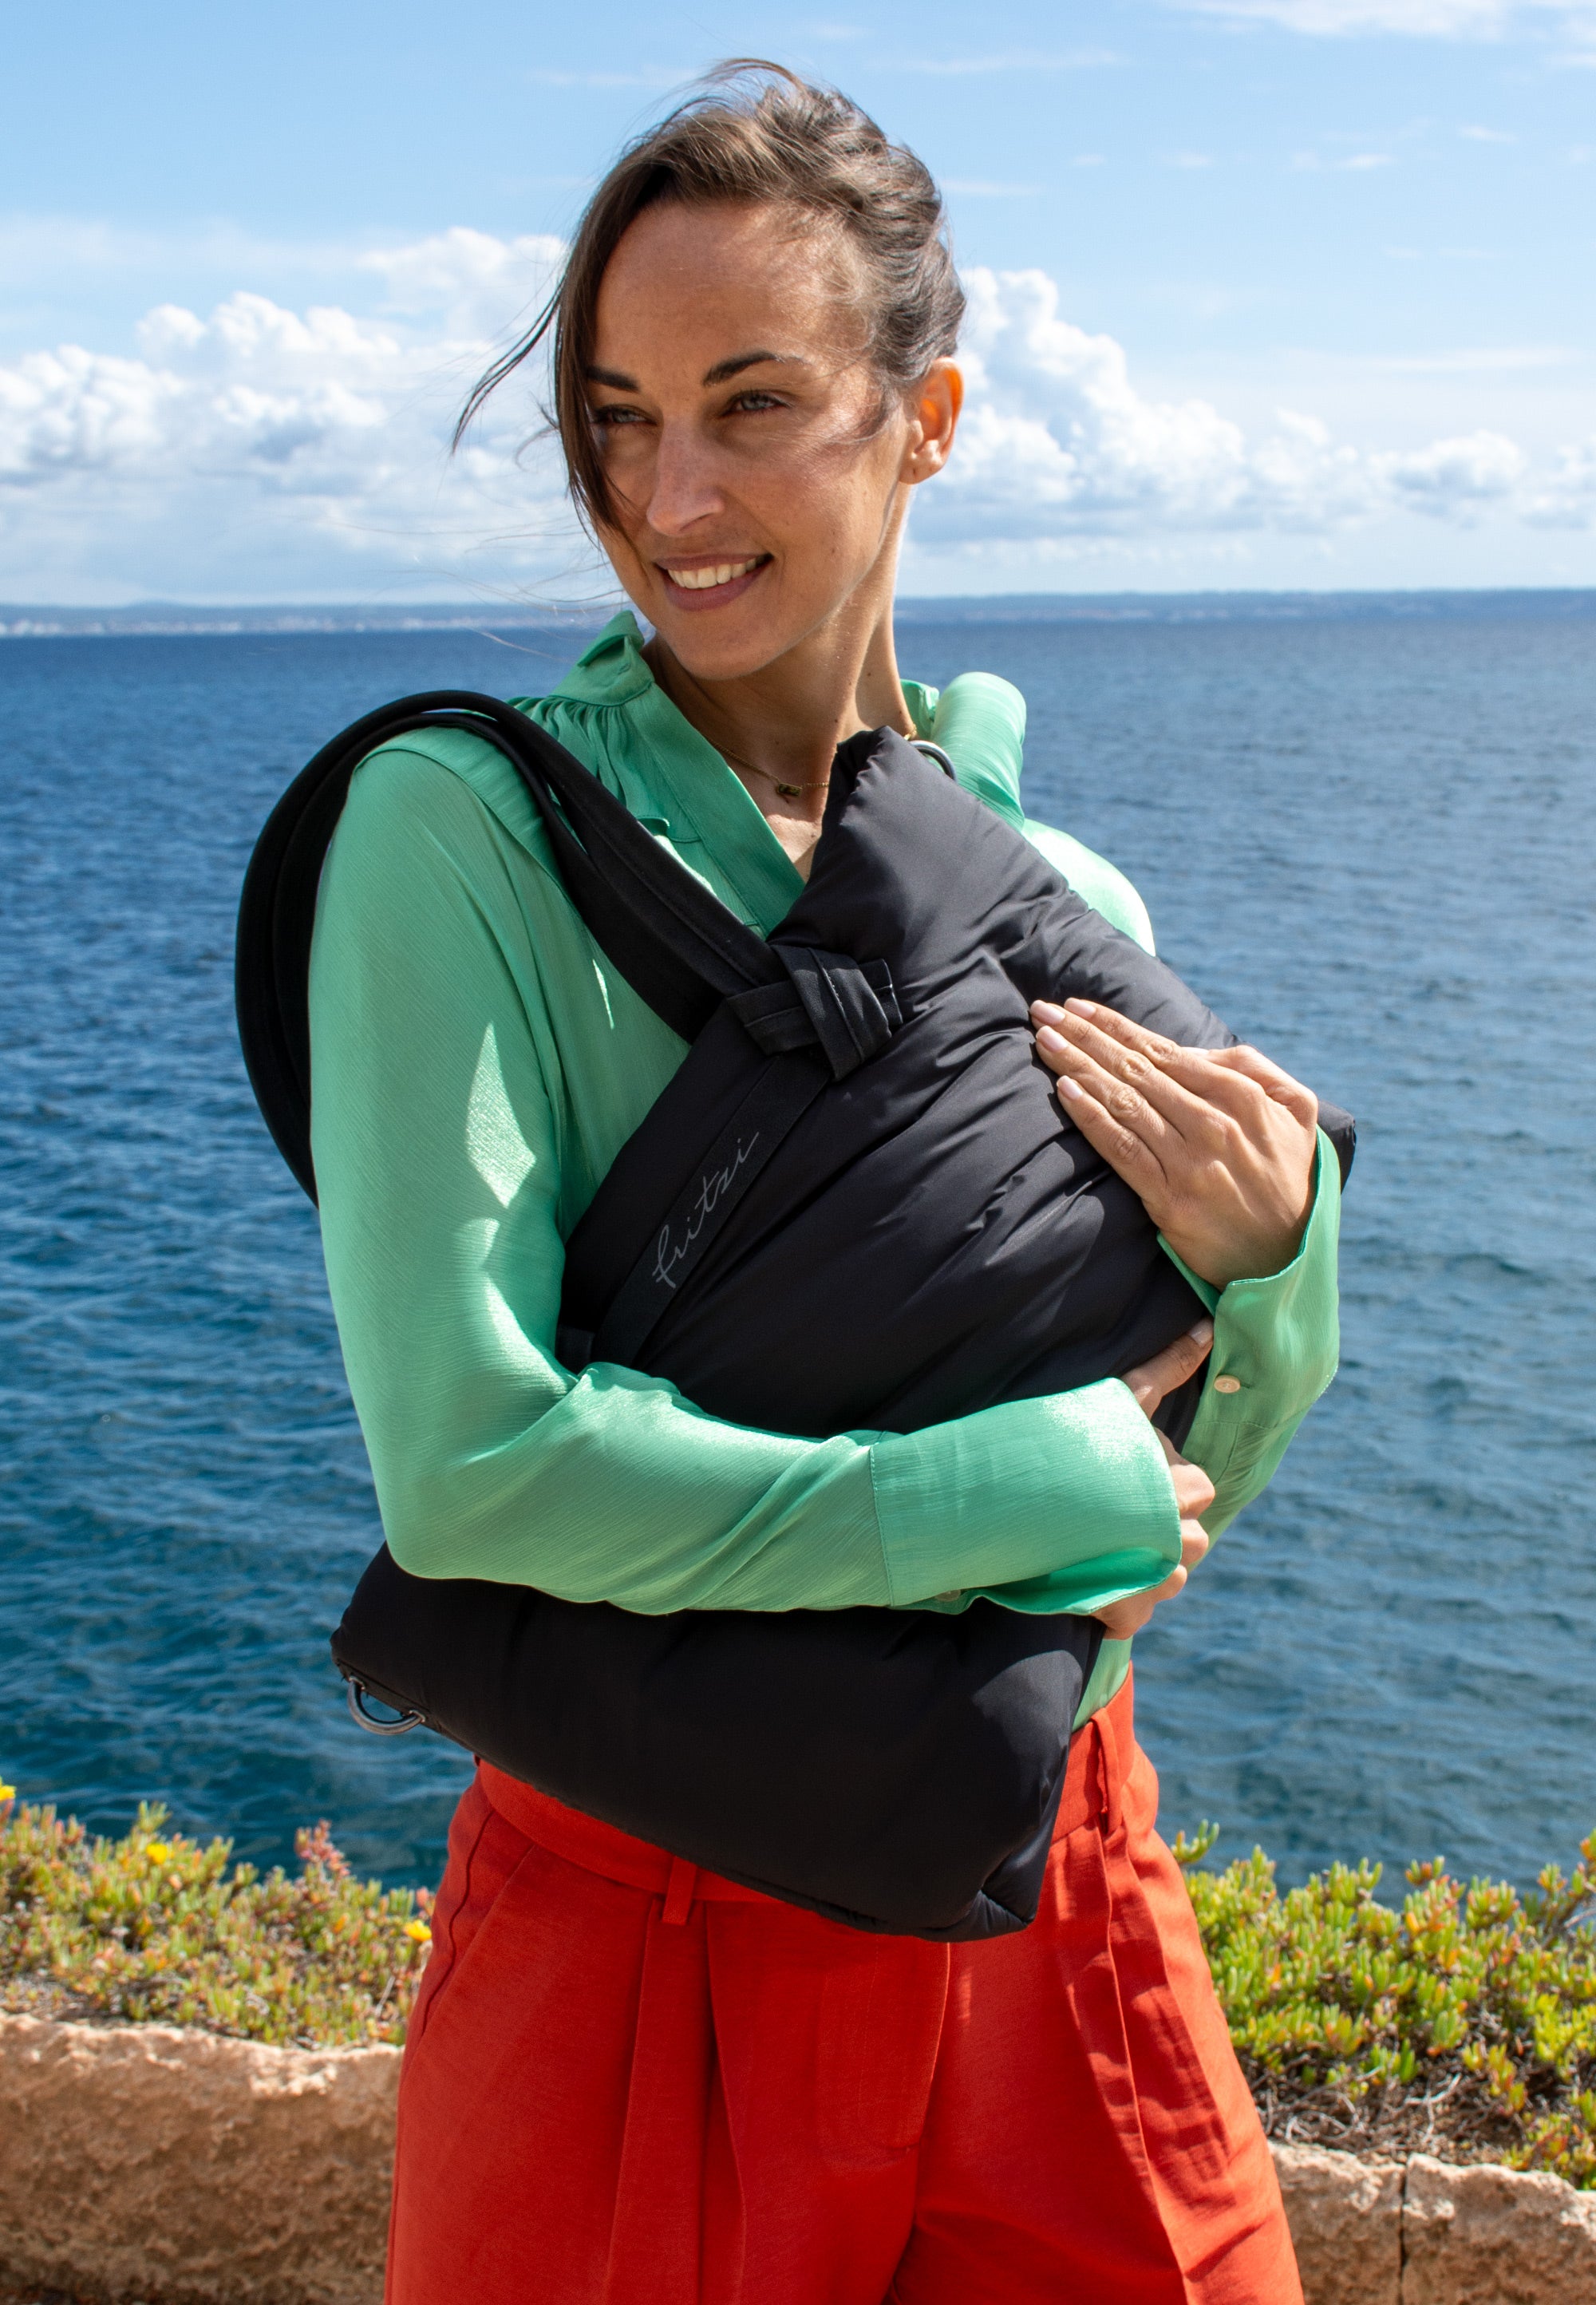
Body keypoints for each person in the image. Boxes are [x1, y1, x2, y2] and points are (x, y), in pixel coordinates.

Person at [308, 65, 1341, 2305]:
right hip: (646, 1922)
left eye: (753, 404)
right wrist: (988, 1496)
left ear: (925, 417)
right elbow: (468, 1471)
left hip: (1053, 1892)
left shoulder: (1057, 894)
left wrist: (1282, 1268)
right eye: (617, 421)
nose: (668, 497)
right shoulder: (463, 835)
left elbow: (1170, 1497)